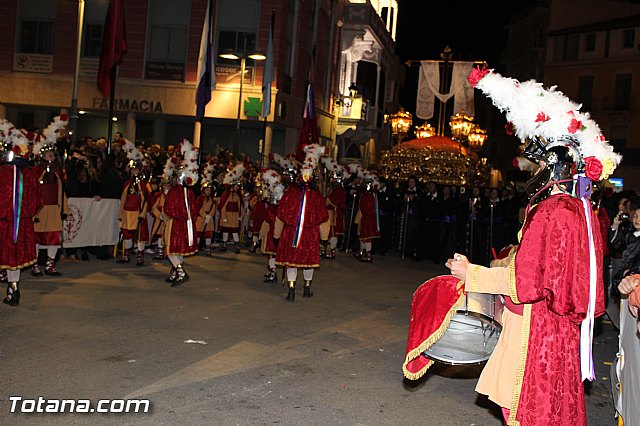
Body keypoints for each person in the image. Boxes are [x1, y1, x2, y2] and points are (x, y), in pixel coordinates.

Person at [445, 68, 621, 425]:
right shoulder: (581, 210)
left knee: (528, 410)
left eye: (538, 161)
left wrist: (472, 274)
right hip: (561, 334)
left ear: (554, 163)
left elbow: (525, 283)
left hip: (537, 330)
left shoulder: (553, 210)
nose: (532, 168)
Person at [274, 144, 330, 301]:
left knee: (291, 262)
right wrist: (324, 238)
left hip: (291, 233)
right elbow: (324, 218)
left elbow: (280, 214)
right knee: (308, 262)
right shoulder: (317, 197)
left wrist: (276, 235)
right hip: (309, 234)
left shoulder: (290, 194)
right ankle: (306, 288)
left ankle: (291, 289)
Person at [0, 121, 43, 306]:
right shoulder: (31, 174)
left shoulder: (2, 172)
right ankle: (14, 288)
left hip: (4, 222)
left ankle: (12, 290)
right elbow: (38, 202)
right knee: (15, 258)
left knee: (8, 255)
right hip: (23, 223)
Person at [31, 115, 69, 276]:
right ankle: (35, 266)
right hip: (39, 209)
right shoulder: (36, 171)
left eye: (52, 155)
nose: (51, 158)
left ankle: (50, 265)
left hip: (54, 209)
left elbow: (61, 190)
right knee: (37, 238)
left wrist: (64, 208)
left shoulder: (58, 172)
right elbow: (32, 189)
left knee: (53, 237)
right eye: (48, 155)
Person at [163, 140, 199, 286]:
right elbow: (192, 210)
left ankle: (180, 271)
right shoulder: (189, 192)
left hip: (175, 223)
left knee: (170, 249)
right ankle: (175, 274)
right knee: (179, 250)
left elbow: (169, 209)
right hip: (186, 224)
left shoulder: (175, 191)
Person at [117, 139, 151, 266]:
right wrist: (120, 214)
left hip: (138, 213)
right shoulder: (127, 183)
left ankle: (140, 256)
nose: (134, 172)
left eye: (136, 170)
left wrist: (142, 214)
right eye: (133, 170)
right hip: (127, 212)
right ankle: (126, 255)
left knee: (140, 236)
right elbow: (123, 199)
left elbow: (146, 200)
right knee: (127, 235)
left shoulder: (144, 185)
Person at [217, 164, 245, 253]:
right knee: (225, 231)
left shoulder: (237, 196)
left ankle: (236, 245)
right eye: (236, 186)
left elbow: (241, 206)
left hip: (235, 216)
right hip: (227, 216)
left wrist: (241, 215)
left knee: (234, 231)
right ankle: (224, 244)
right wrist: (224, 217)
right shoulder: (226, 195)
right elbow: (223, 206)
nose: (237, 187)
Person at [354, 172, 381, 262]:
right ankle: (364, 252)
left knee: (367, 237)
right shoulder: (366, 195)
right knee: (363, 236)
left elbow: (367, 208)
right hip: (365, 218)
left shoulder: (369, 196)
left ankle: (368, 254)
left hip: (368, 218)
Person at [195, 161, 216, 256]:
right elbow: (198, 208)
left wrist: (210, 216)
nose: (208, 191)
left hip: (209, 219)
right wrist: (204, 215)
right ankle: (196, 247)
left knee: (208, 234)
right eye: (207, 190)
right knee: (199, 233)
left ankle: (208, 249)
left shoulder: (212, 199)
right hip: (201, 219)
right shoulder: (200, 198)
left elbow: (214, 208)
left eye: (210, 190)